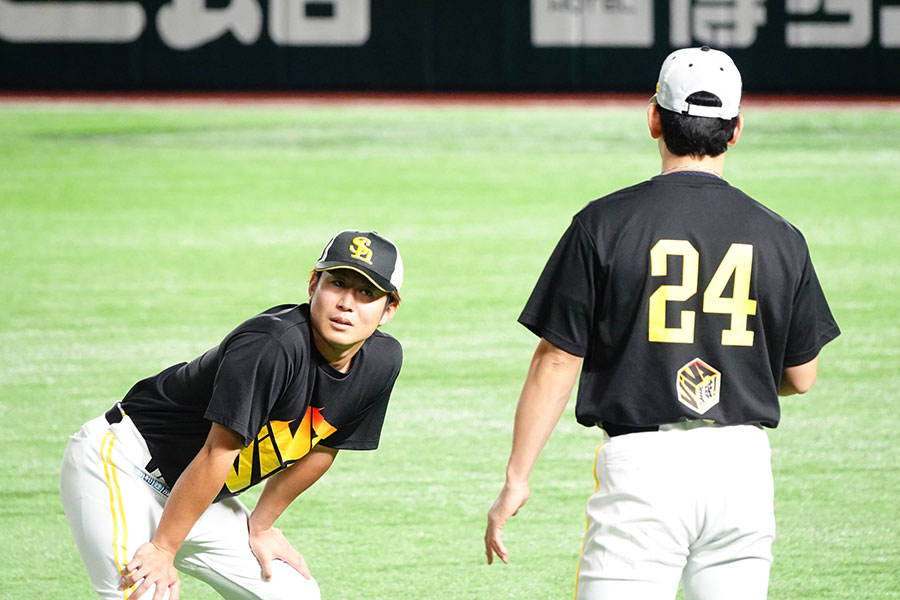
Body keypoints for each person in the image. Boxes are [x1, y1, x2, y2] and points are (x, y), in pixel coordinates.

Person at [484, 46, 840, 600]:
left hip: (642, 469)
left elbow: (557, 359)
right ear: (736, 129)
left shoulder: (603, 223)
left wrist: (516, 478)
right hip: (741, 470)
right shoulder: (782, 236)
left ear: (654, 118)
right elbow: (802, 376)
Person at [61, 229, 404, 600]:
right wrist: (163, 548)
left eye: (366, 293)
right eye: (337, 283)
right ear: (313, 286)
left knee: (294, 594)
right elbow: (216, 452)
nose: (347, 303)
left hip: (195, 493)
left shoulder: (381, 362)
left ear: (388, 310)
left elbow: (324, 449)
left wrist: (261, 523)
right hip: (123, 465)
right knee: (146, 594)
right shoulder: (270, 346)